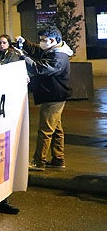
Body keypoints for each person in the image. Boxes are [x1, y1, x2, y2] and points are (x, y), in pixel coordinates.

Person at [20, 28, 73, 171]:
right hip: (54, 95)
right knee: (55, 129)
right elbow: (38, 51)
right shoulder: (53, 51)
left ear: (53, 41)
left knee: (45, 130)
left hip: (53, 97)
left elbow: (41, 68)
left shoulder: (58, 57)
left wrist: (24, 59)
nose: (41, 43)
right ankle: (58, 158)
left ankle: (38, 161)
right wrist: (25, 43)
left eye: (44, 40)